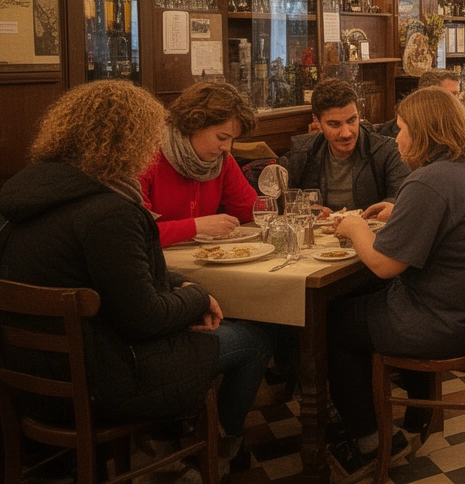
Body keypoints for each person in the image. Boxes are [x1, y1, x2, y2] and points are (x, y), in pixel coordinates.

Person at [0, 80, 273, 466]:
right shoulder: (110, 212)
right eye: (149, 137)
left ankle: (171, 448)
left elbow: (128, 277)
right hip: (102, 382)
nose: (154, 148)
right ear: (128, 142)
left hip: (26, 378)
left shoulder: (30, 195)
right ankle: (216, 453)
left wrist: (181, 285)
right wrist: (197, 295)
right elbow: (145, 319)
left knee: (184, 327)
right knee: (253, 340)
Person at [325, 88, 465, 479]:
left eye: (402, 129)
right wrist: (402, 211)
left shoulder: (430, 180)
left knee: (335, 322)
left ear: (424, 133)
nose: (396, 138)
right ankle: (415, 419)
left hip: (448, 325)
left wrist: (356, 227)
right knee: (377, 303)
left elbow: (382, 264)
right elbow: (450, 223)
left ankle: (368, 441)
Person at [140, 81, 258, 247]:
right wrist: (196, 227)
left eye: (233, 139)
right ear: (195, 124)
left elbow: (252, 212)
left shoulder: (222, 162)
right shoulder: (147, 157)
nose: (227, 148)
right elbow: (135, 234)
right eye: (222, 138)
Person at [283, 79, 409, 216]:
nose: (346, 133)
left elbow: (402, 199)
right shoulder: (302, 153)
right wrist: (308, 208)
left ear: (359, 113)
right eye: (334, 124)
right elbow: (288, 202)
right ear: (317, 122)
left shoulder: (387, 150)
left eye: (351, 120)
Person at [375, 69, 461, 139]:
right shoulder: (402, 130)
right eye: (451, 95)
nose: (457, 101)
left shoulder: (458, 124)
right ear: (428, 95)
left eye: (457, 94)